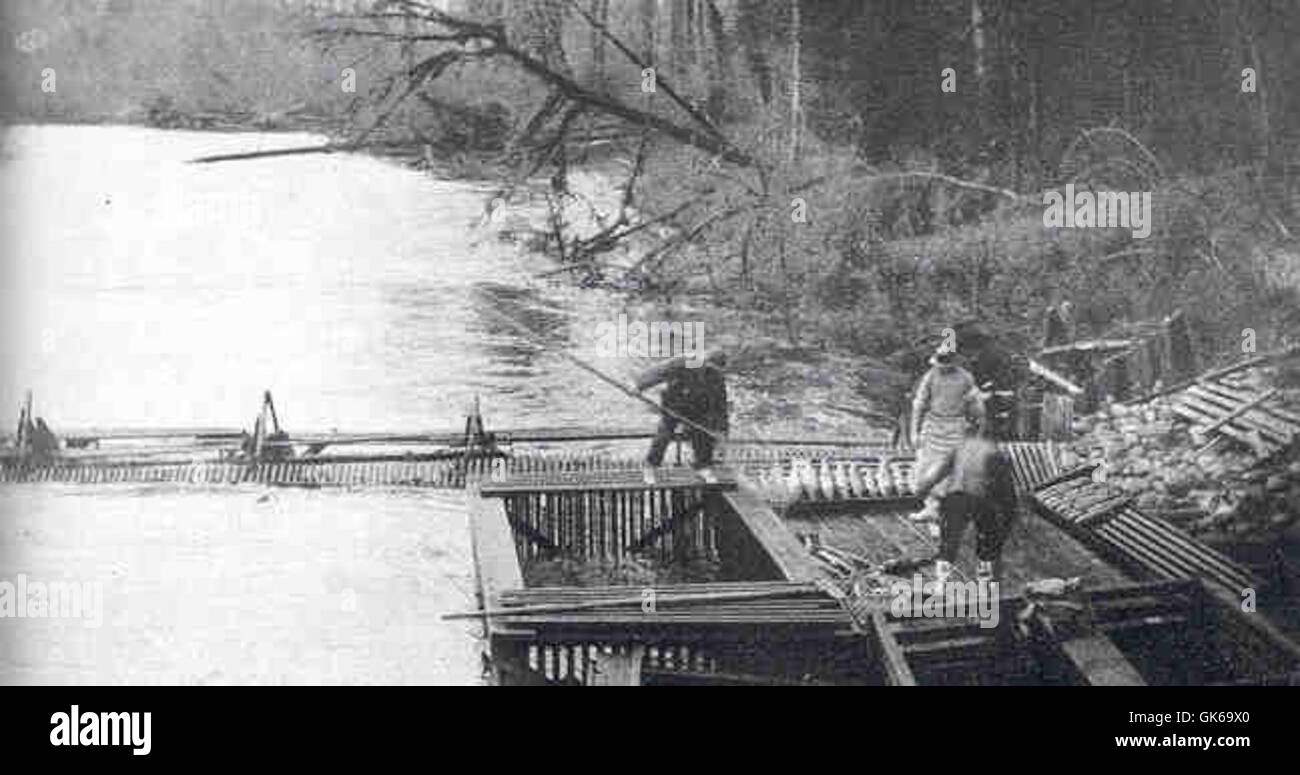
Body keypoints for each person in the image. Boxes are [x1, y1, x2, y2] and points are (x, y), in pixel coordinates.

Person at [914, 419, 1017, 584]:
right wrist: (1008, 522)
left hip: (954, 499)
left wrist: (922, 494)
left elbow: (932, 477)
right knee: (989, 546)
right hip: (981, 501)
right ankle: (987, 586)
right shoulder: (998, 454)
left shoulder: (960, 447)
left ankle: (941, 584)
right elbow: (1007, 495)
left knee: (948, 546)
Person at [910, 343, 986, 521]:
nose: (943, 367)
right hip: (932, 426)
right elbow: (919, 404)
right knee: (924, 468)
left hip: (955, 427)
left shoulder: (966, 378)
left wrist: (978, 430)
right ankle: (929, 508)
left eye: (947, 362)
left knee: (947, 471)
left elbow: (977, 407)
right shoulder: (930, 376)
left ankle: (940, 510)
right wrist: (914, 432)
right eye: (940, 362)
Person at [637, 350, 728, 478]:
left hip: (697, 406)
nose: (710, 371)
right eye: (708, 367)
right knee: (665, 433)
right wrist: (639, 386)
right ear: (705, 360)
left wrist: (722, 431)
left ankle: (702, 466)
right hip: (675, 403)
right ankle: (651, 465)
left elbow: (721, 406)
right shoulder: (687, 361)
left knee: (703, 431)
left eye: (714, 370)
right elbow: (659, 372)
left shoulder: (717, 377)